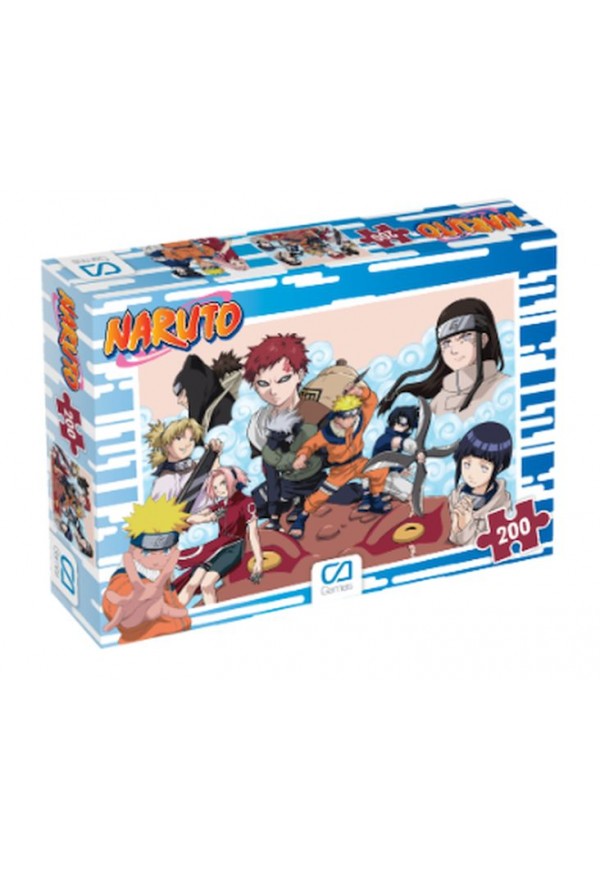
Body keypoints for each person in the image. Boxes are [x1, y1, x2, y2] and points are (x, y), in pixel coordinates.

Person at [288, 384, 390, 539]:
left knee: (380, 470)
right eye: (346, 416)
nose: (351, 419)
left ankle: (375, 500)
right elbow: (310, 445)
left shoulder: (359, 422)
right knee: (320, 496)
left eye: (354, 414)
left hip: (359, 462)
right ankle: (301, 518)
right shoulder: (327, 434)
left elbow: (372, 401)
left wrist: (359, 391)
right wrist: (302, 456)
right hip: (340, 470)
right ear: (336, 416)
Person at [379, 297, 507, 419]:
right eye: (446, 342)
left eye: (464, 338)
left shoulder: (504, 387)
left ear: (484, 339)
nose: (454, 350)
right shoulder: (438, 401)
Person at [102, 497, 191, 644]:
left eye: (166, 551)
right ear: (133, 550)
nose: (158, 559)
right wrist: (130, 612)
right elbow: (118, 593)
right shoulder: (129, 578)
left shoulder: (164, 575)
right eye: (147, 552)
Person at [174, 467, 263, 607]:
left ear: (232, 480)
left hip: (233, 548)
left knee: (206, 584)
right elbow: (192, 518)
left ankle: (213, 614)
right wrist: (208, 518)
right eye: (215, 487)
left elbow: (253, 533)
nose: (219, 490)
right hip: (216, 547)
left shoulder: (246, 502)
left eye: (222, 483)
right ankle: (173, 615)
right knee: (192, 582)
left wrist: (259, 560)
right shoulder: (221, 505)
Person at [448, 421, 513, 547]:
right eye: (467, 464)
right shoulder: (456, 496)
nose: (472, 474)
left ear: (499, 468)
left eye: (483, 468)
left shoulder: (500, 506)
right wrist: (457, 527)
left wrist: (466, 525)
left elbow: (486, 547)